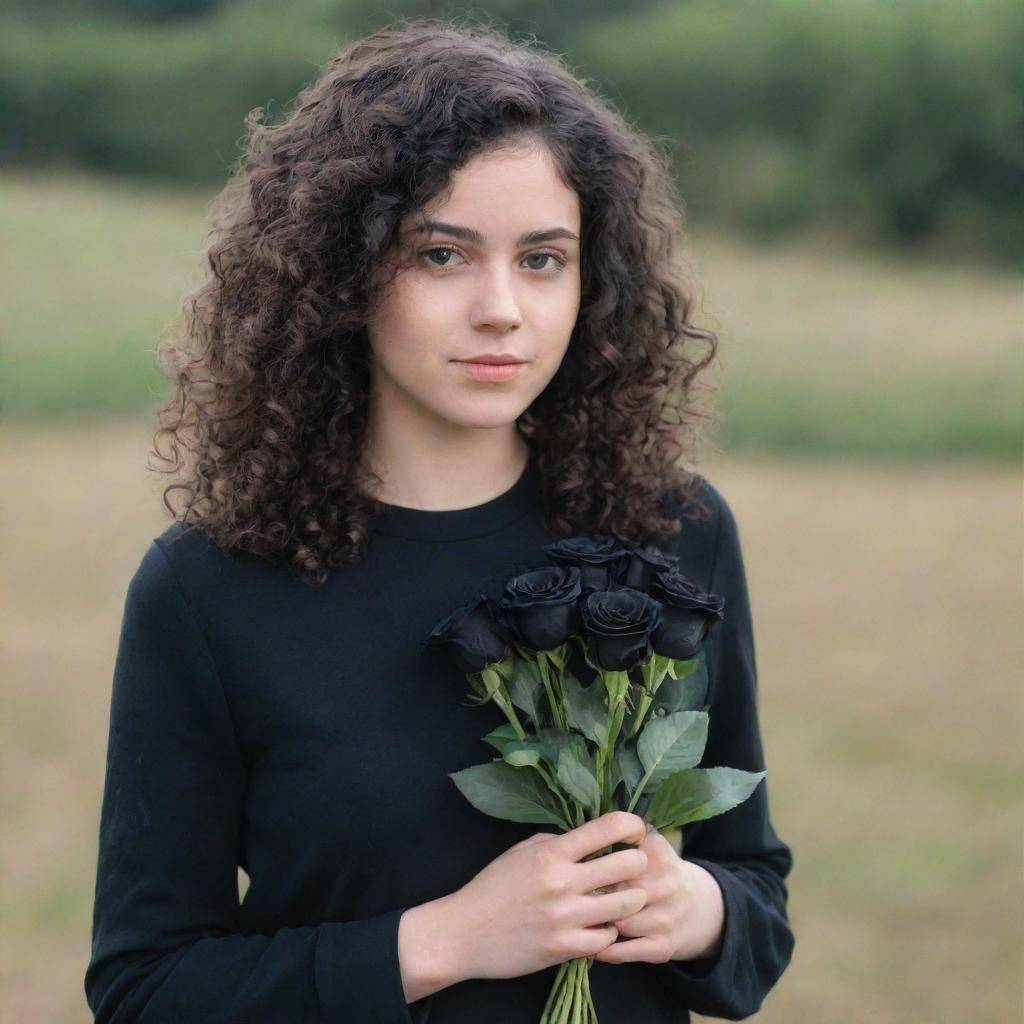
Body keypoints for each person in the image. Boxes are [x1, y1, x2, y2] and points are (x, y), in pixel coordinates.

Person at [84, 16, 794, 1023]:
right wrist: (446, 940)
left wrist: (695, 908)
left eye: (542, 259)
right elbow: (145, 989)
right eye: (441, 255)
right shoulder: (209, 588)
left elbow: (754, 907)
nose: (501, 308)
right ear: (342, 273)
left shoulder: (672, 531)